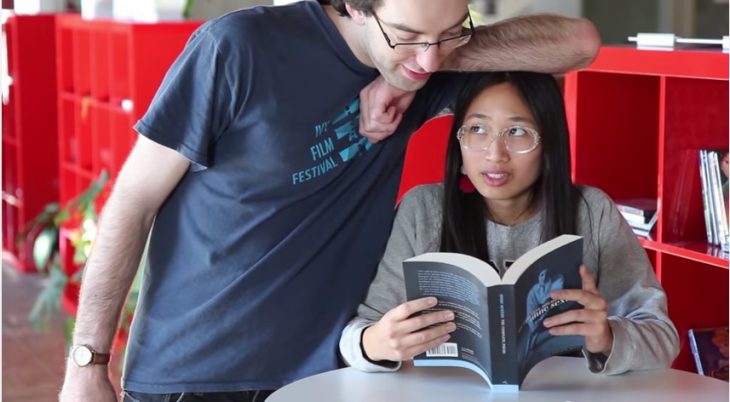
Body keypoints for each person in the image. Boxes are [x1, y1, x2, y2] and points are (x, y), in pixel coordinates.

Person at [59, 0, 601, 400]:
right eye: (408, 34)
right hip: (190, 375)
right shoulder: (237, 47)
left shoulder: (422, 70)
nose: (430, 60)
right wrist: (88, 361)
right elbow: (133, 200)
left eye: (449, 32)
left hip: (326, 380)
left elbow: (577, 43)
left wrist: (419, 65)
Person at [339, 71, 679, 377]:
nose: (495, 153)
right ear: (459, 144)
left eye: (517, 132)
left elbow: (663, 339)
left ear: (549, 146)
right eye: (477, 130)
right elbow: (360, 333)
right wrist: (376, 344)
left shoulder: (591, 211)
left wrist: (606, 336)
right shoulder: (423, 209)